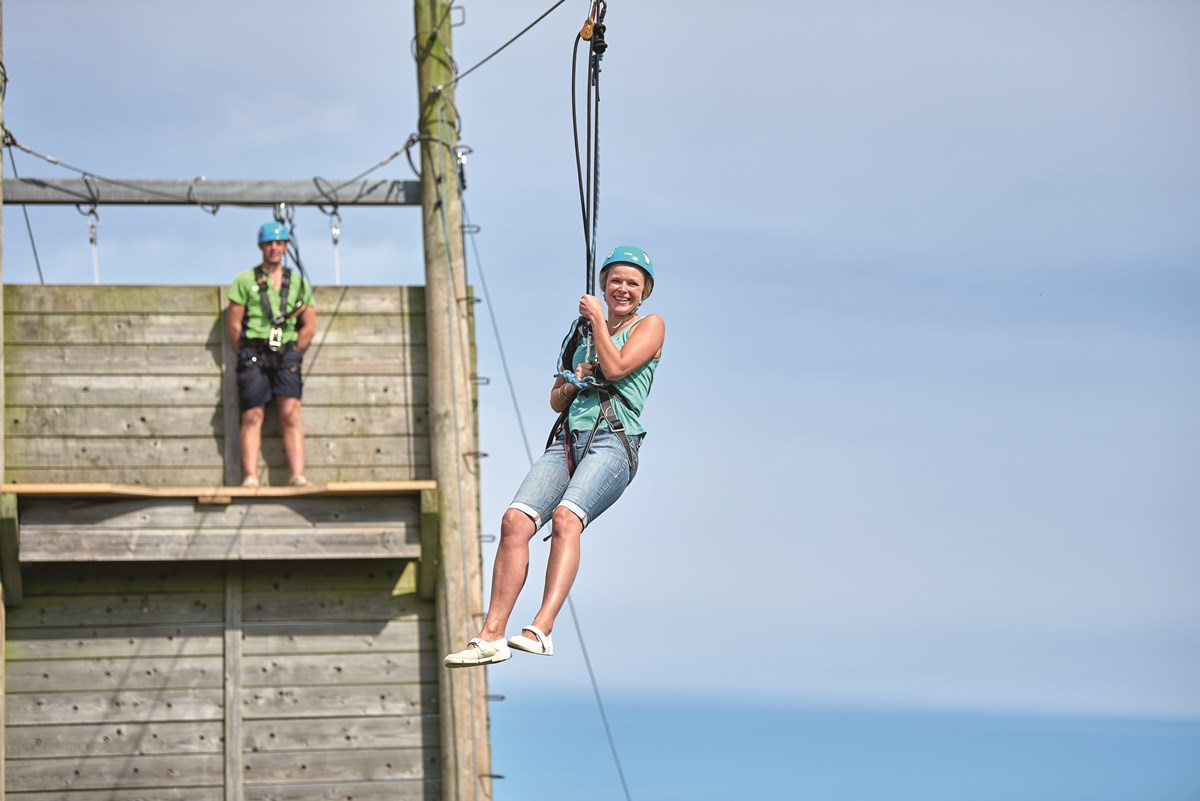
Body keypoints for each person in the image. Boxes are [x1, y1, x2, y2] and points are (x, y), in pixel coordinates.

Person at [444, 245, 665, 667]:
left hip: (613, 441)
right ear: (603, 284)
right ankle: (491, 634)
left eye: (632, 283)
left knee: (566, 518)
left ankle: (541, 628)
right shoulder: (581, 333)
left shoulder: (650, 325)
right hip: (568, 439)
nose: (623, 289)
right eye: (616, 280)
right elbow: (555, 398)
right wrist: (575, 382)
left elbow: (617, 368)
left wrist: (598, 321)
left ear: (644, 292)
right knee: (514, 521)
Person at [225, 221, 317, 488]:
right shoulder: (244, 281)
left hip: (286, 352)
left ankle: (297, 475)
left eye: (278, 243)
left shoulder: (299, 283)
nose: (273, 248)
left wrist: (295, 351)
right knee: (252, 414)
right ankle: (250, 476)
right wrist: (244, 352)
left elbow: (309, 326)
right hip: (254, 350)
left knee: (290, 414)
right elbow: (233, 324)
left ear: (286, 246)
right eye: (268, 243)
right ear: (260, 247)